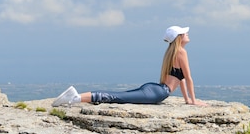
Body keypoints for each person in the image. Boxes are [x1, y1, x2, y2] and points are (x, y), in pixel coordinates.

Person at [52, 26, 207, 106]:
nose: (187, 34)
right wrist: (193, 101)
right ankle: (75, 98)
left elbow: (181, 81)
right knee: (117, 97)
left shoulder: (172, 52)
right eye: (184, 33)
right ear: (179, 38)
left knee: (119, 95)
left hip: (155, 88)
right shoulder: (181, 52)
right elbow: (188, 78)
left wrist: (188, 100)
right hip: (157, 92)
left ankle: (75, 97)